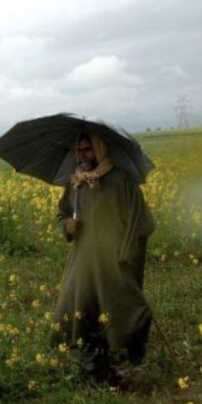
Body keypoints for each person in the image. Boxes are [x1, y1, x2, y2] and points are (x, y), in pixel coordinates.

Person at [51, 133, 155, 384]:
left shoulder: (121, 180)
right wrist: (67, 226)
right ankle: (95, 369)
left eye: (88, 149)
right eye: (80, 150)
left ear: (100, 150)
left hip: (114, 258)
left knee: (124, 310)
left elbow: (141, 222)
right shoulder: (75, 184)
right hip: (84, 259)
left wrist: (126, 253)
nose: (83, 155)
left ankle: (128, 355)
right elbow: (61, 214)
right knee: (81, 308)